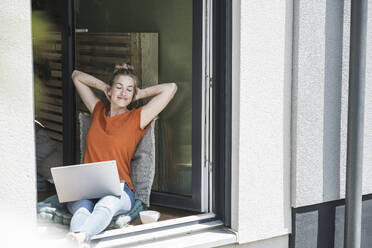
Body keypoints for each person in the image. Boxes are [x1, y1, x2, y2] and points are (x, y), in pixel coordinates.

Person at [66, 63, 177, 245]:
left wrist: (140, 94)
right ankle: (79, 241)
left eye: (129, 89)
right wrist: (104, 87)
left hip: (119, 189)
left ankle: (79, 237)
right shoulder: (98, 110)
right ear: (110, 91)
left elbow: (170, 88)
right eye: (119, 87)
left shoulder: (137, 118)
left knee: (104, 206)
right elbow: (77, 76)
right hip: (86, 186)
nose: (123, 93)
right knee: (82, 211)